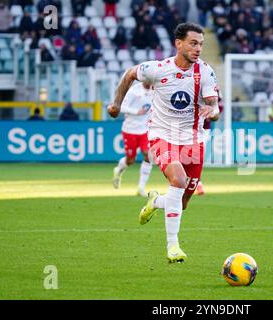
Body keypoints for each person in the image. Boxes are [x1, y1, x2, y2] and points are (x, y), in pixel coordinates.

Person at [107, 23, 220, 263]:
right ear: (178, 43)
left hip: (194, 140)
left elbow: (214, 104)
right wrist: (117, 104)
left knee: (183, 202)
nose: (198, 48)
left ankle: (156, 201)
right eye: (193, 43)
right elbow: (129, 74)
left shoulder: (206, 71)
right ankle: (173, 247)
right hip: (162, 135)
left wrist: (213, 109)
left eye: (201, 44)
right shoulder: (158, 69)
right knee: (178, 181)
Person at [112, 81, 154, 197]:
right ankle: (119, 170)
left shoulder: (155, 90)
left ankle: (141, 187)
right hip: (130, 129)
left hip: (144, 129)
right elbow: (122, 107)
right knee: (131, 160)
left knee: (148, 155)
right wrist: (137, 112)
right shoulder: (134, 91)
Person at [195, 90, 224, 196]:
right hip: (187, 126)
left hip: (203, 130)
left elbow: (219, 105)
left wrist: (212, 114)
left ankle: (198, 184)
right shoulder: (189, 81)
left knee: (197, 157)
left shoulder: (214, 88)